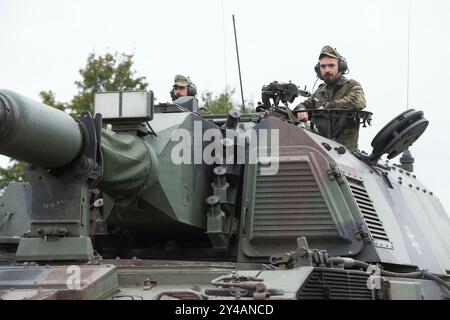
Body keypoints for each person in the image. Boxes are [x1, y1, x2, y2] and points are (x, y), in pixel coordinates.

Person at [293, 46, 366, 150]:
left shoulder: (351, 86)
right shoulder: (320, 92)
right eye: (323, 66)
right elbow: (304, 104)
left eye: (331, 65)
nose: (327, 70)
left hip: (346, 154)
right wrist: (301, 110)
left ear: (341, 67)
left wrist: (328, 106)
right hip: (321, 151)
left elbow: (358, 102)